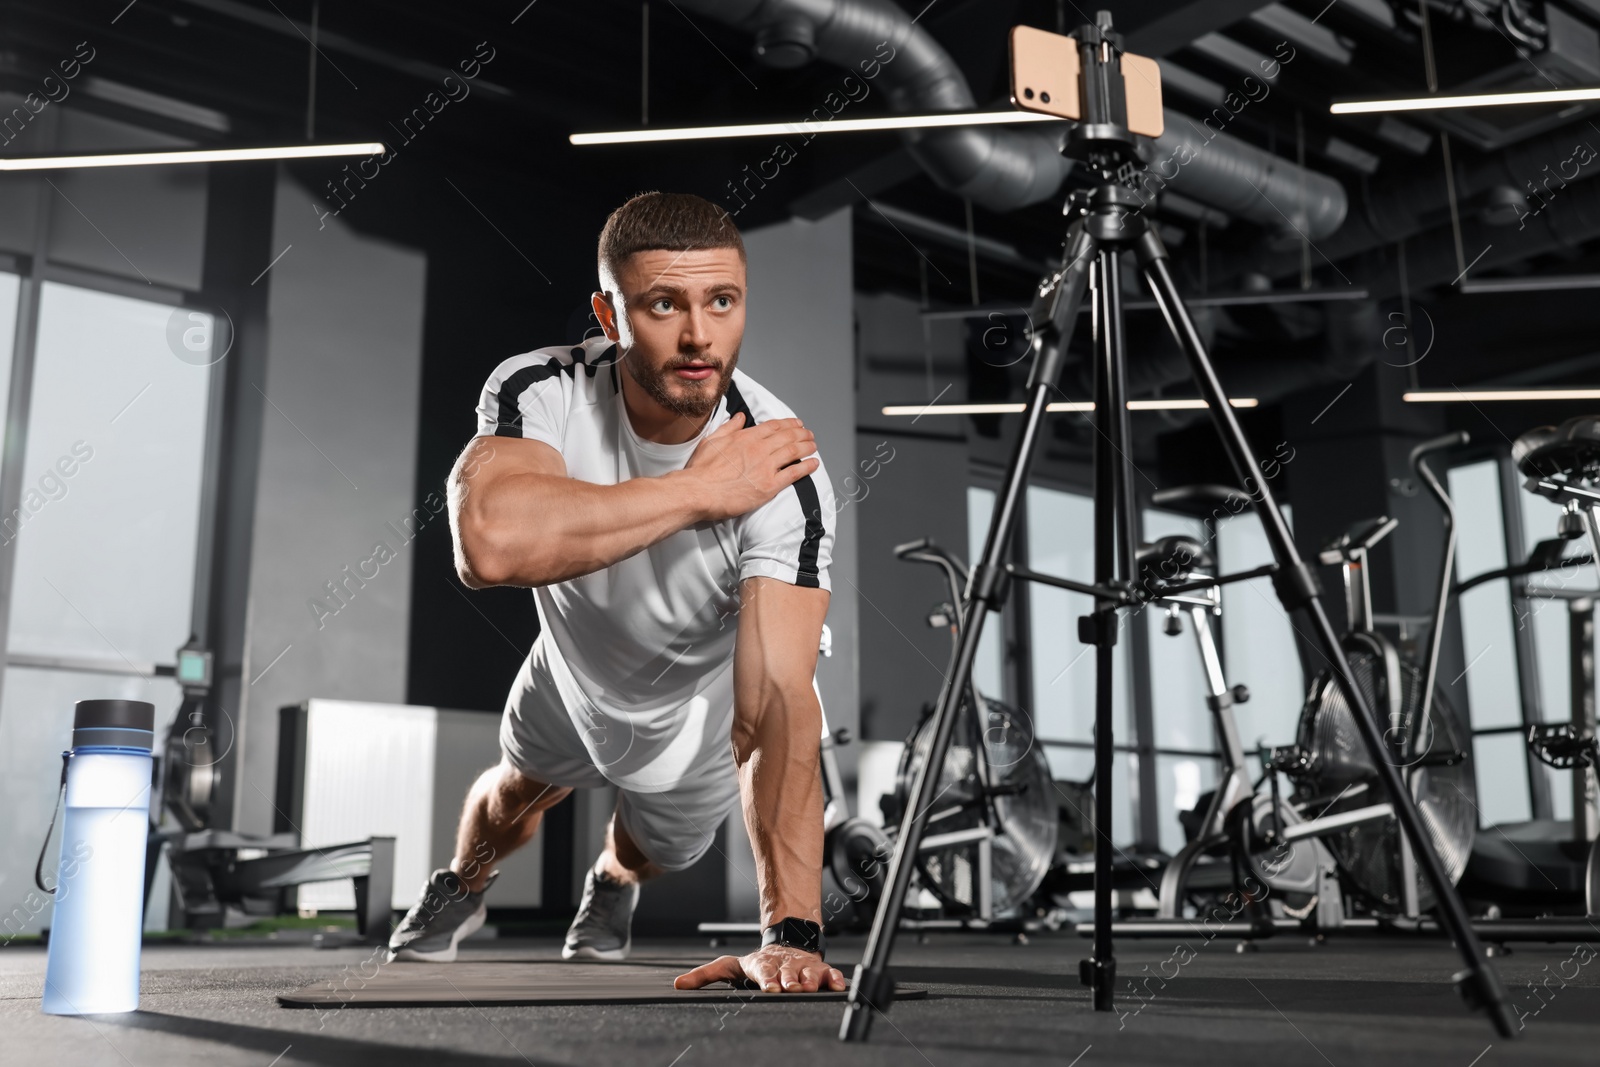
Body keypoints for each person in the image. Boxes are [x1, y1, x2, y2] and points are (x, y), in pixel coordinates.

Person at [386, 191, 845, 995]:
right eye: (664, 304)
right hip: (567, 668)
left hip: (692, 713)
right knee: (511, 795)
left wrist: (791, 934)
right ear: (609, 313)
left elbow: (775, 703)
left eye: (722, 302)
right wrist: (699, 494)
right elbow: (488, 545)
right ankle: (461, 885)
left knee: (650, 847)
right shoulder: (543, 388)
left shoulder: (783, 473)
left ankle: (611, 880)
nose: (699, 336)